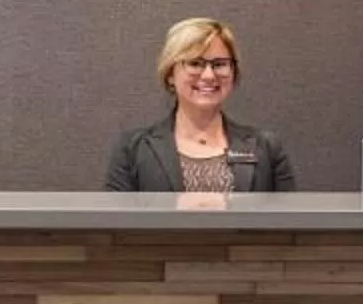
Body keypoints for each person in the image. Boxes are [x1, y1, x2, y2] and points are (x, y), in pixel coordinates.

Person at [102, 16, 297, 192]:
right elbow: (115, 226)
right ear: (170, 73)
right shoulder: (133, 150)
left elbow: (290, 225)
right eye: (195, 63)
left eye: (219, 64)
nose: (209, 75)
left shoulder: (267, 148)